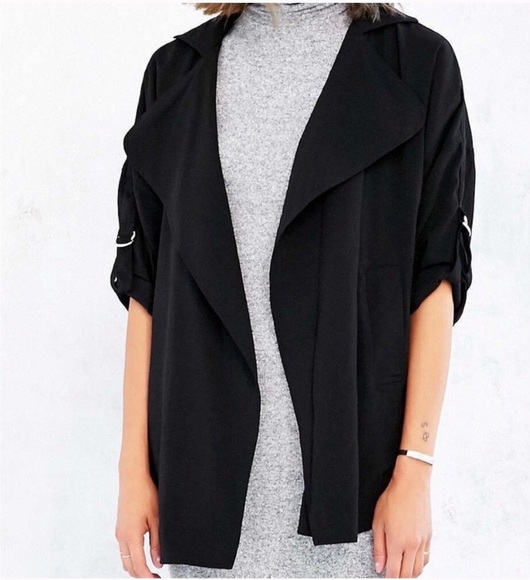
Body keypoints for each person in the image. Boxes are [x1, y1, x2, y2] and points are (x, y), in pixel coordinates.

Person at [112, 2, 475, 578]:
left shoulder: (418, 65)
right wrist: (133, 471)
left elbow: (435, 277)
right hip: (203, 485)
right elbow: (145, 286)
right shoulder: (175, 72)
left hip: (353, 492)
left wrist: (416, 466)